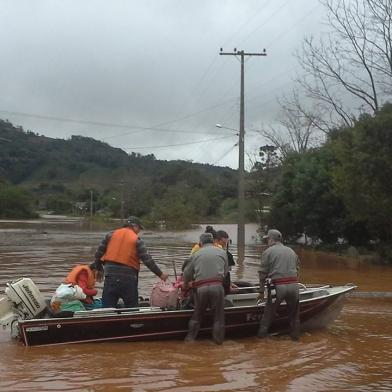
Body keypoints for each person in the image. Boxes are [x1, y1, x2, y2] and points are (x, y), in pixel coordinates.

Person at [93, 216, 169, 308]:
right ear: (135, 226)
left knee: (107, 308)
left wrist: (99, 268)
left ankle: (106, 320)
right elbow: (148, 261)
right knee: (131, 308)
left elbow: (98, 253)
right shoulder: (136, 240)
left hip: (110, 277)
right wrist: (161, 274)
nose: (139, 231)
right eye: (139, 229)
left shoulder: (110, 235)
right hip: (128, 278)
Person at [183, 232, 228, 345]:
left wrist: (186, 284)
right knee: (218, 317)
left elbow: (187, 273)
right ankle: (218, 343)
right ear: (213, 241)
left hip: (201, 289)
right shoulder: (222, 252)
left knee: (197, 315)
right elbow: (226, 272)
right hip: (217, 287)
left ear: (201, 243)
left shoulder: (195, 254)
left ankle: (189, 340)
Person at [257, 229, 300, 341]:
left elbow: (262, 273)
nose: (267, 241)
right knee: (294, 316)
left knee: (268, 314)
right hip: (294, 286)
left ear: (271, 239)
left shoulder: (268, 252)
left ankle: (261, 339)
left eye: (267, 239)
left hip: (278, 287)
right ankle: (295, 339)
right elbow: (297, 269)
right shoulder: (291, 251)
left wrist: (261, 291)